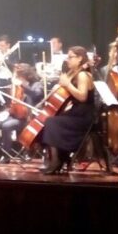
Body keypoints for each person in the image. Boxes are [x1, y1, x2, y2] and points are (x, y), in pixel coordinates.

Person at [39, 46, 96, 174]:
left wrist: (67, 84)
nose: (67, 60)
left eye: (70, 57)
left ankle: (56, 161)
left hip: (83, 117)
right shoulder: (74, 74)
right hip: (76, 113)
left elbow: (82, 97)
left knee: (51, 122)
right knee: (48, 121)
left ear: (80, 58)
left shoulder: (83, 75)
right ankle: (59, 159)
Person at [0, 62, 44, 157]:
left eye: (19, 76)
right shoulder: (15, 87)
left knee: (6, 126)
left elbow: (36, 95)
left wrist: (23, 85)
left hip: (27, 118)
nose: (17, 78)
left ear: (26, 75)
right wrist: (7, 110)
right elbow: (12, 103)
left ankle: (6, 155)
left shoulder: (36, 85)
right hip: (13, 115)